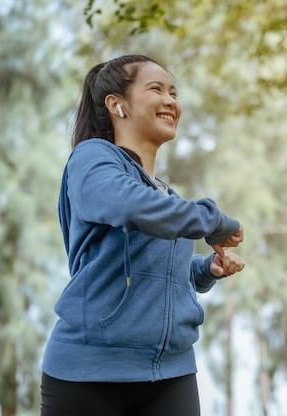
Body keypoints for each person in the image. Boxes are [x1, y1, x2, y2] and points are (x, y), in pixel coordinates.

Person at [40, 54, 245, 416]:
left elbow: (153, 271)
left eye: (174, 92)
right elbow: (130, 207)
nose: (171, 100)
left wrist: (204, 271)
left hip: (173, 374)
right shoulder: (92, 159)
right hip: (91, 375)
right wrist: (214, 220)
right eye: (156, 89)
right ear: (116, 104)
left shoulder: (166, 197)